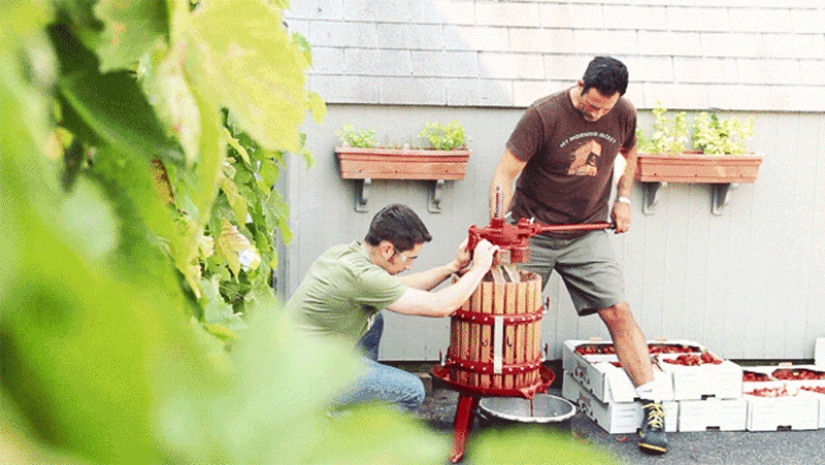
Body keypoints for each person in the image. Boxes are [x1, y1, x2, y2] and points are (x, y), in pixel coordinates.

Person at [489, 56, 667, 454]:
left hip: (586, 230)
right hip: (534, 229)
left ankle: (652, 404)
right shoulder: (543, 116)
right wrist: (498, 224)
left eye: (606, 106)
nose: (597, 112)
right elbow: (504, 173)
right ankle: (504, 407)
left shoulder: (622, 112)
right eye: (592, 104)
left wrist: (623, 199)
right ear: (581, 83)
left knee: (618, 312)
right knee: (514, 318)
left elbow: (629, 152)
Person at [285, 203, 497, 413]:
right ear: (387, 249)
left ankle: (352, 405)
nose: (409, 266)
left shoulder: (346, 255)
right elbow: (440, 306)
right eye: (409, 258)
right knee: (412, 391)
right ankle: (344, 436)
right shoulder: (363, 276)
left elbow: (398, 288)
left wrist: (452, 268)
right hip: (304, 378)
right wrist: (479, 268)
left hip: (294, 359)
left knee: (375, 320)